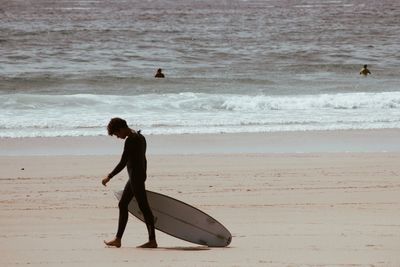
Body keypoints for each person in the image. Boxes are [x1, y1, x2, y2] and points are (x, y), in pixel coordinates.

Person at [102, 118, 157, 249]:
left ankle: (152, 241)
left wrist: (109, 176)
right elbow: (144, 160)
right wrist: (143, 175)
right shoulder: (140, 137)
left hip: (136, 177)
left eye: (116, 134)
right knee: (123, 204)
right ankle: (118, 239)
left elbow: (123, 162)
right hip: (137, 176)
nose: (117, 137)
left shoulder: (131, 140)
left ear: (121, 129)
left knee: (144, 208)